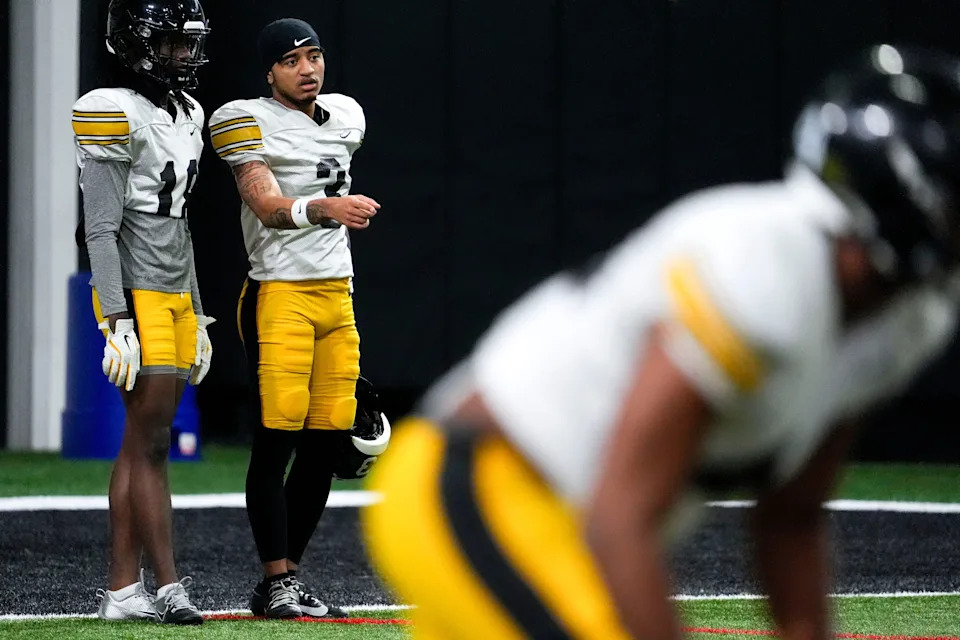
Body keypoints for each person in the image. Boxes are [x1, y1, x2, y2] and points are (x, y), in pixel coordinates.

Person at [362, 44, 960, 639]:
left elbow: (791, 520)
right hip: (480, 488)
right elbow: (618, 517)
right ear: (905, 190)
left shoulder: (910, 317)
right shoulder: (768, 268)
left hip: (562, 520)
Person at [208, 17, 381, 620]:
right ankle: (275, 579)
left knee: (327, 442)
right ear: (269, 72)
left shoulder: (346, 115)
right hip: (279, 294)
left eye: (314, 56)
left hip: (338, 296)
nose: (307, 69)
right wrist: (324, 206)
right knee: (276, 438)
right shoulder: (243, 118)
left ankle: (286, 581)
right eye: (291, 61)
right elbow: (265, 203)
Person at [72, 0, 214, 626]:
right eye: (175, 44)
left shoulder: (187, 113)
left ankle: (122, 590)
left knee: (140, 443)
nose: (187, 55)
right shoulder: (113, 108)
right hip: (139, 290)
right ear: (139, 45)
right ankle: (169, 585)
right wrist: (116, 315)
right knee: (150, 443)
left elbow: (179, 222)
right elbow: (99, 230)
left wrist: (199, 310)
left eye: (191, 43)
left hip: (177, 290)